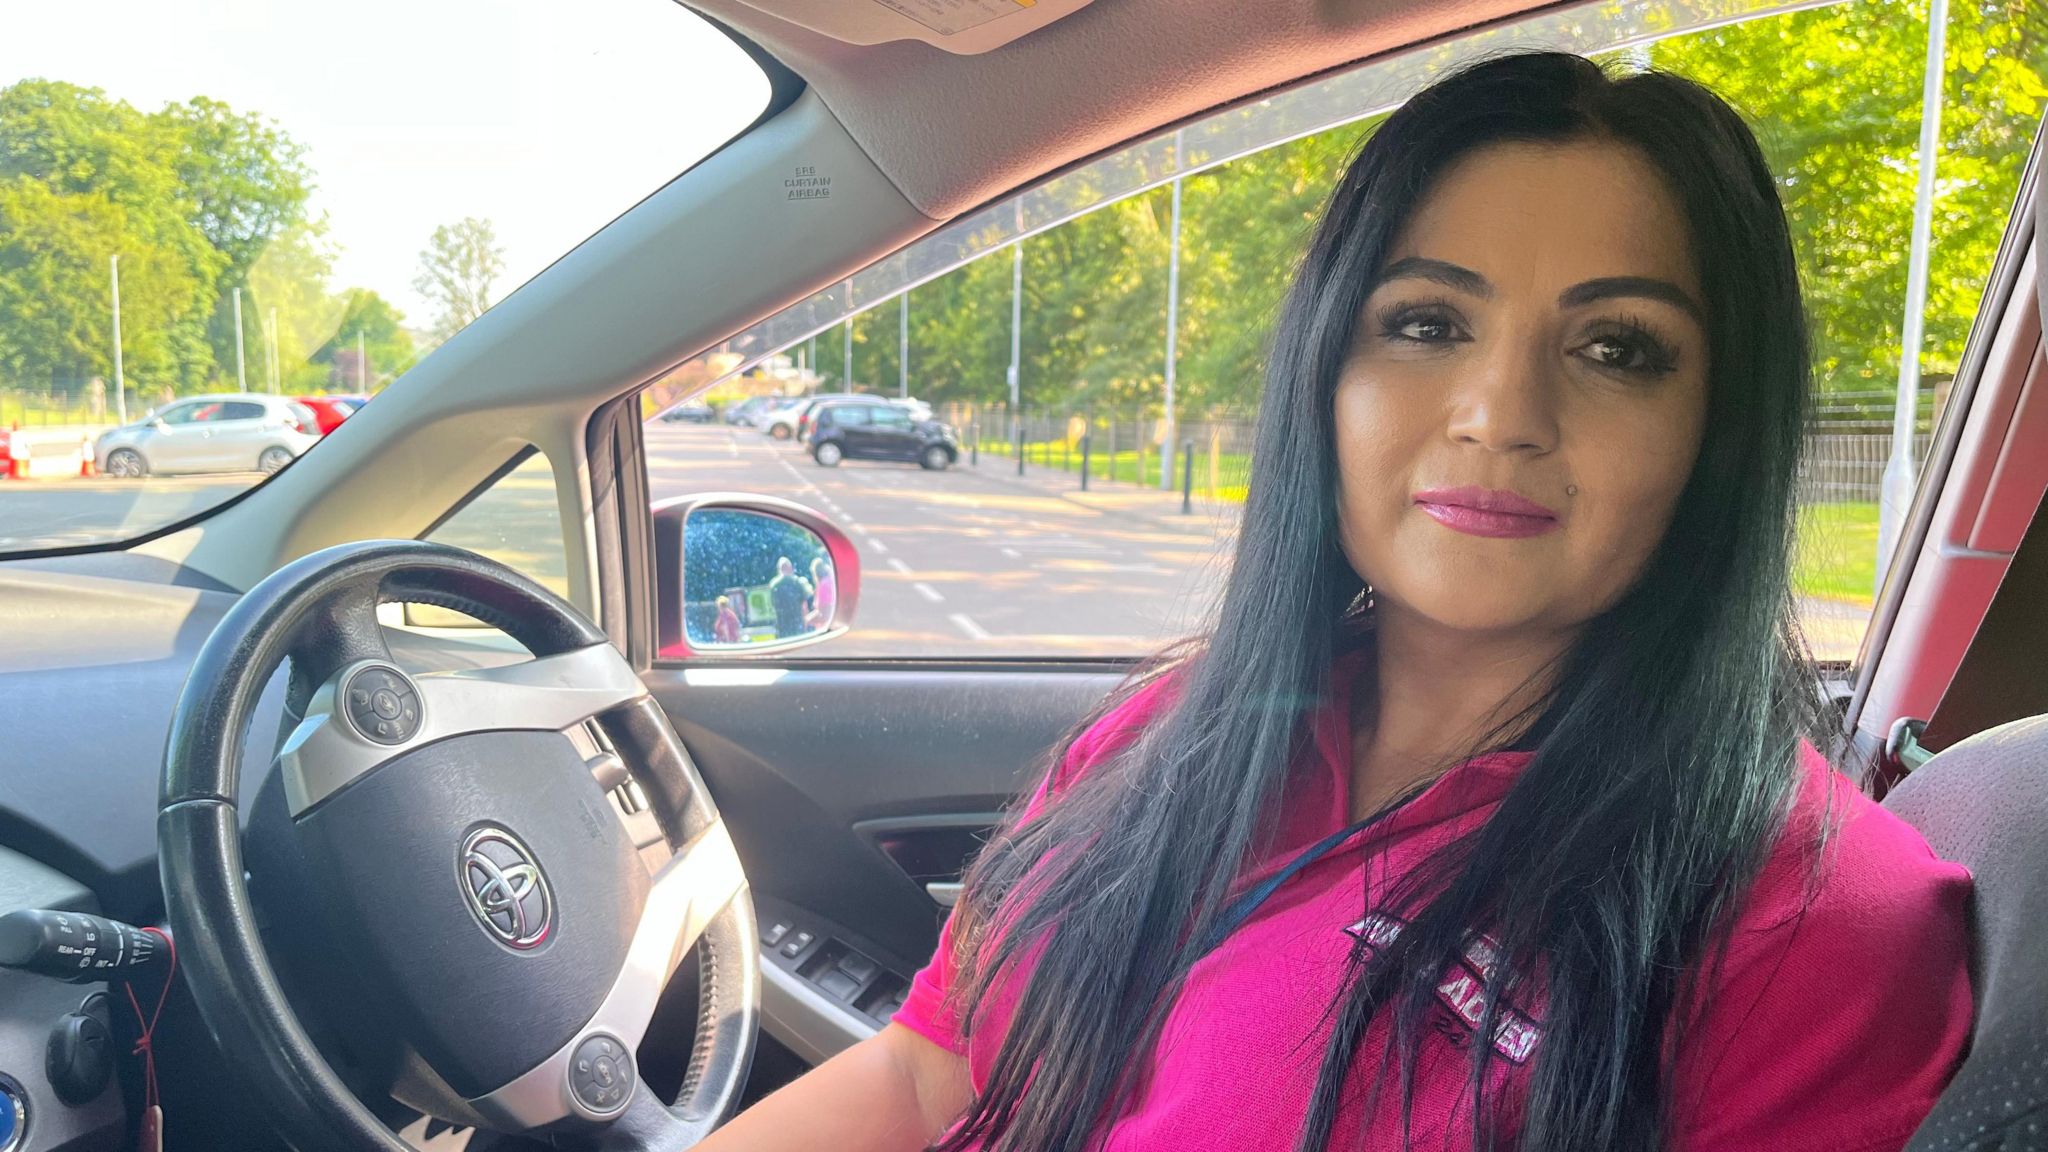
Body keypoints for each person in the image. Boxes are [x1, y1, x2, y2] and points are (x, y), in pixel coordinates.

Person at [698, 53, 1969, 1152]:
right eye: (1424, 323)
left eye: (1615, 348)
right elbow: (927, 1073)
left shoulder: (1813, 924)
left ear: (1717, 433)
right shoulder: (1167, 732)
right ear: (1326, 373)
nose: (1497, 414)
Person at [768, 556, 813, 638]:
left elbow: (773, 604)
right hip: (796, 621)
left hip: (782, 622)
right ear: (790, 568)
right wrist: (805, 620)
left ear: (779, 569)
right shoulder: (797, 582)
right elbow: (804, 603)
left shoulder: (774, 585)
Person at [805, 557, 837, 630]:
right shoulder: (831, 580)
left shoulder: (824, 585)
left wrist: (806, 620)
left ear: (815, 573)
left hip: (826, 629)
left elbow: (824, 615)